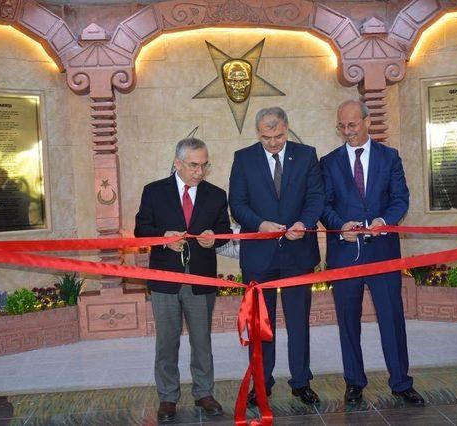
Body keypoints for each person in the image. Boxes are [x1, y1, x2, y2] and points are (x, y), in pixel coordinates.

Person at [320, 100, 424, 406]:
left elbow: (400, 199)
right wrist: (340, 226)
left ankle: (401, 382)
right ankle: (354, 381)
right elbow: (323, 205)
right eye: (342, 126)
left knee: (392, 318)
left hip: (383, 252)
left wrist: (384, 221)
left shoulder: (389, 157)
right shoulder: (328, 162)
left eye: (353, 125)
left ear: (368, 122)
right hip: (344, 253)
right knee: (347, 321)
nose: (347, 131)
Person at [229, 107, 324, 405]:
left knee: (299, 322)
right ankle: (261, 381)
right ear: (257, 133)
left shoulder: (307, 155)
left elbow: (316, 197)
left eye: (279, 135)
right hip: (260, 254)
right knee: (260, 325)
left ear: (287, 128)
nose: (273, 142)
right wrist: (260, 225)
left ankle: (301, 381)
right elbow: (237, 203)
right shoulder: (243, 158)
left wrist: (304, 224)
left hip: (298, 252)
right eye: (266, 136)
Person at [135, 137, 231, 423]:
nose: (199, 172)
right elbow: (141, 229)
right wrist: (162, 238)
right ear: (177, 163)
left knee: (202, 340)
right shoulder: (154, 191)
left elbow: (224, 230)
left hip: (201, 280)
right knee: (167, 341)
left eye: (204, 165)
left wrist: (213, 239)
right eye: (193, 165)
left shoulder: (216, 194)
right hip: (165, 279)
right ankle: (167, 397)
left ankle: (204, 392)